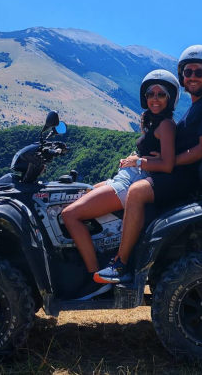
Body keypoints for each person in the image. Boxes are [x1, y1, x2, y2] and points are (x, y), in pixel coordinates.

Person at [95, 44, 202, 284]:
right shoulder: (198, 105)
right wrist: (152, 161)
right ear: (182, 77)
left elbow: (201, 149)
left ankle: (121, 264)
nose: (193, 77)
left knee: (135, 192)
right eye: (188, 72)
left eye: (199, 72)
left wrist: (163, 162)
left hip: (184, 177)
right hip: (177, 173)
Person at [60, 69, 179, 297]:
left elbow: (167, 164)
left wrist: (138, 162)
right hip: (126, 176)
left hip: (132, 181)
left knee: (70, 214)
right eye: (150, 94)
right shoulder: (152, 121)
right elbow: (153, 154)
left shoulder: (166, 125)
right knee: (78, 194)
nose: (154, 98)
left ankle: (97, 279)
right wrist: (135, 160)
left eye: (161, 94)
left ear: (170, 98)